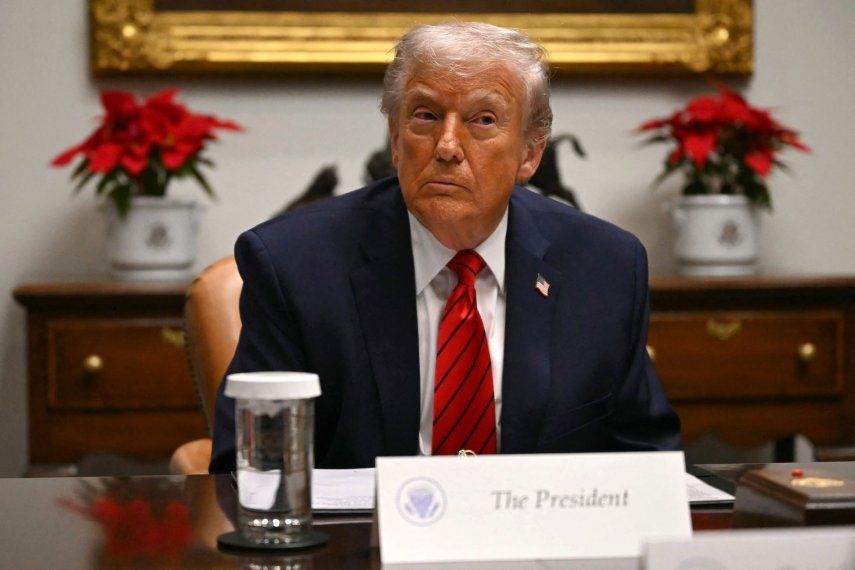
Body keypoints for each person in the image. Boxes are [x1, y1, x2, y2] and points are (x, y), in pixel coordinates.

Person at [210, 22, 680, 473]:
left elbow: (648, 462)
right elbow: (250, 471)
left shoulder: (603, 267)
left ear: (531, 153)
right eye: (426, 116)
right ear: (396, 140)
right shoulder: (295, 266)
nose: (448, 146)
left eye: (483, 120)